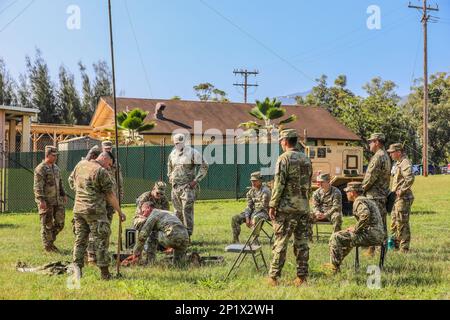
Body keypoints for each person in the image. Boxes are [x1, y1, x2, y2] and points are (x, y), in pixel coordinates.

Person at [267, 129, 312, 287]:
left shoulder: (283, 158)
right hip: (303, 208)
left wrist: (272, 204)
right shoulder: (306, 159)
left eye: (281, 140)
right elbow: (308, 183)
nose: (280, 143)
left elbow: (279, 185)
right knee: (302, 243)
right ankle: (302, 277)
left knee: (280, 242)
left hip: (286, 209)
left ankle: (273, 277)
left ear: (285, 141)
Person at [71, 151, 126, 280]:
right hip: (95, 211)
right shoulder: (101, 171)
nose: (109, 167)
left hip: (78, 210)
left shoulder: (80, 165)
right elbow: (110, 195)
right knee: (101, 241)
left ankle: (77, 272)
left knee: (80, 240)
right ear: (104, 159)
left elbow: (72, 182)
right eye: (109, 164)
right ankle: (105, 274)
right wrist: (119, 211)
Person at [327, 182, 385, 273]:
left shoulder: (358, 201)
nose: (346, 194)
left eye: (347, 192)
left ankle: (333, 268)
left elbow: (365, 215)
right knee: (348, 237)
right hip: (378, 234)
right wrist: (355, 228)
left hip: (371, 235)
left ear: (353, 192)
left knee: (335, 237)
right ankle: (336, 263)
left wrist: (356, 229)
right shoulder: (366, 200)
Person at [167, 133, 208, 238]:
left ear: (184, 142)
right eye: (176, 143)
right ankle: (178, 235)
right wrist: (170, 177)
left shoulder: (192, 153)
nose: (178, 145)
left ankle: (187, 235)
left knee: (187, 212)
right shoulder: (172, 154)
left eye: (180, 143)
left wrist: (196, 180)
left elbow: (204, 165)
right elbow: (169, 166)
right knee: (177, 212)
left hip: (187, 187)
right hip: (175, 187)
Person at [33, 146, 67, 253]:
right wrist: (41, 200)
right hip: (46, 201)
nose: (55, 157)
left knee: (60, 223)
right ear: (47, 155)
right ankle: (48, 247)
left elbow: (60, 182)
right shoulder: (41, 168)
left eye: (56, 155)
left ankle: (50, 242)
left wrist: (63, 194)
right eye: (53, 155)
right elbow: (37, 186)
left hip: (57, 200)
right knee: (47, 224)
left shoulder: (56, 167)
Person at [362, 133, 391, 256]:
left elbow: (370, 178)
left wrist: (362, 189)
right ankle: (376, 250)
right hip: (382, 194)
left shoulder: (378, 157)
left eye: (371, 141)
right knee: (381, 224)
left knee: (375, 224)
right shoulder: (385, 156)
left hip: (375, 195)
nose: (369, 144)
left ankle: (376, 251)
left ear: (377, 142)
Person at [387, 143, 415, 253]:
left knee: (402, 223)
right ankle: (394, 246)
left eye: (392, 152)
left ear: (398, 152)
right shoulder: (398, 163)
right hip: (396, 198)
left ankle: (404, 249)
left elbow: (410, 178)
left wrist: (401, 190)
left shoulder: (405, 162)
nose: (390, 155)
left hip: (403, 198)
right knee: (394, 222)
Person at [231, 171, 271, 243]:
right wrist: (247, 218)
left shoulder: (266, 191)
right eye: (252, 181)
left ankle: (255, 241)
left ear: (260, 180)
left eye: (255, 181)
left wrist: (252, 217)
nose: (253, 183)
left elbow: (262, 207)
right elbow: (249, 206)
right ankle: (235, 241)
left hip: (265, 212)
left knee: (255, 218)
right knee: (235, 218)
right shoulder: (251, 192)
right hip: (254, 212)